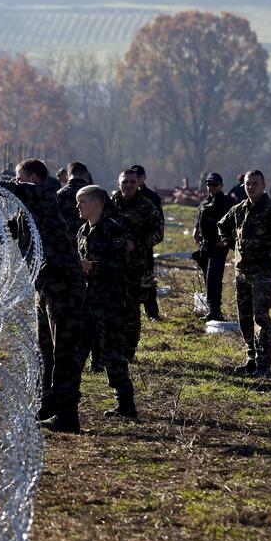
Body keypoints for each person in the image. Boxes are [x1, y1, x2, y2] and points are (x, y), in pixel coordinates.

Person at [0, 160, 84, 431]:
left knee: (63, 349)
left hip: (62, 283)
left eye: (19, 177)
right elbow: (6, 233)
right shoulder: (27, 212)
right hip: (45, 285)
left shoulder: (42, 194)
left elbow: (8, 189)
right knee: (47, 350)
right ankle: (49, 404)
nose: (16, 181)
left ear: (33, 178)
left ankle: (67, 414)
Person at [217, 170, 271, 377]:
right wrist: (232, 245)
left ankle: (264, 365)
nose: (251, 187)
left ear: (263, 185)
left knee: (261, 319)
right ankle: (251, 359)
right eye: (248, 183)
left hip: (262, 274)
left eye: (255, 183)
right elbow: (222, 226)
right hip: (242, 272)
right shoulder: (239, 210)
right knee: (244, 318)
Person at [75, 185, 138, 419]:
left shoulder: (112, 230)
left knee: (112, 355)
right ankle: (67, 401)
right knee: (76, 352)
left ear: (98, 203)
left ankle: (125, 403)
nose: (78, 206)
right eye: (78, 202)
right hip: (87, 301)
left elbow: (121, 265)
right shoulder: (82, 231)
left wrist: (93, 267)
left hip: (109, 303)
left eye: (83, 202)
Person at [111, 169, 164, 360]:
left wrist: (137, 244)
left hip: (136, 265)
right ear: (119, 183)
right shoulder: (110, 204)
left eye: (132, 182)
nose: (128, 185)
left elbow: (159, 232)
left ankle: (129, 350)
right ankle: (111, 348)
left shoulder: (147, 206)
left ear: (138, 183)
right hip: (111, 265)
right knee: (111, 307)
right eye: (125, 182)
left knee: (132, 309)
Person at [193, 172, 235, 321]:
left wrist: (226, 240)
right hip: (205, 246)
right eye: (209, 185)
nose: (212, 187)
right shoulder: (205, 202)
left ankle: (216, 312)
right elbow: (199, 220)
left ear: (221, 185)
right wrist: (195, 231)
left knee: (213, 279)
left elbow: (234, 225)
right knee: (207, 278)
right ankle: (212, 309)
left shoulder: (228, 202)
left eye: (215, 184)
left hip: (218, 247)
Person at [132, 165, 164, 320]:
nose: (135, 181)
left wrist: (143, 244)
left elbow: (159, 227)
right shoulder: (120, 198)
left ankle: (151, 311)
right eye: (133, 177)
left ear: (144, 178)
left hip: (144, 248)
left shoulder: (152, 198)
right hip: (125, 249)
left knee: (147, 280)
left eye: (138, 177)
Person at [56, 162, 93, 238]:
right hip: (91, 242)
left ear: (67, 176)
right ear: (86, 175)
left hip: (65, 243)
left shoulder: (58, 195)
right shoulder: (97, 194)